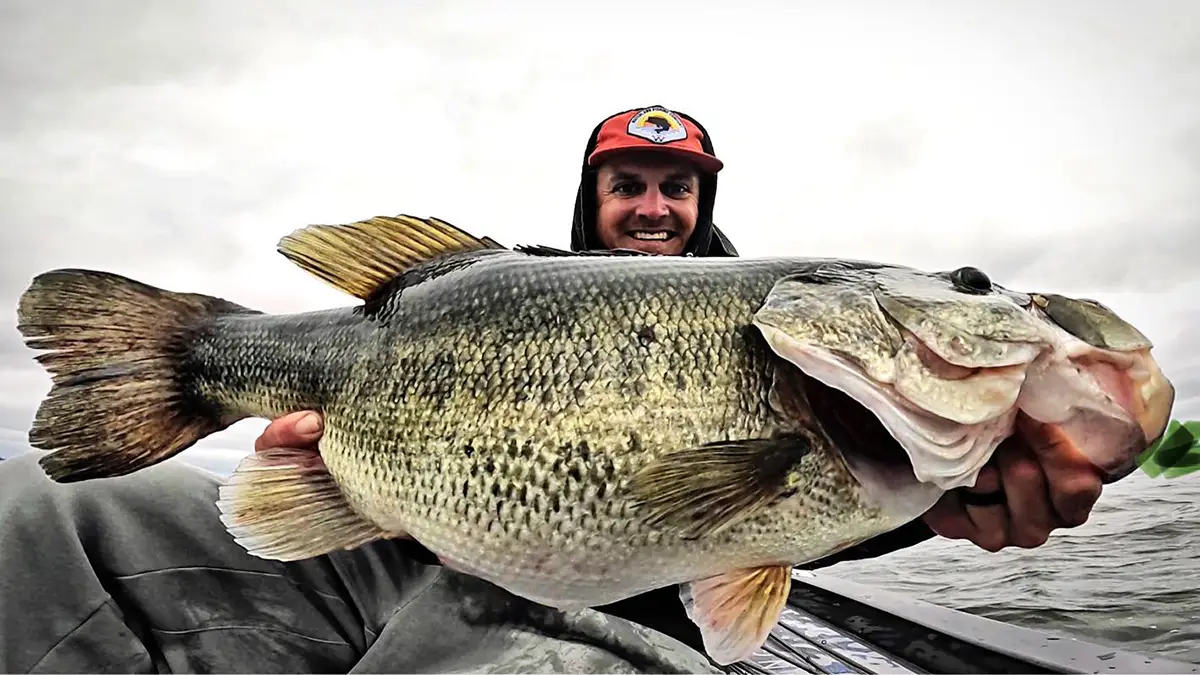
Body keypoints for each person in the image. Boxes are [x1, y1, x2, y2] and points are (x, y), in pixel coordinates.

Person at [0, 105, 1109, 674]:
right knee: (46, 512)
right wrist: (315, 461)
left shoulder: (800, 343)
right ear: (594, 201)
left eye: (678, 189)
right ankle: (198, 362)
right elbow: (306, 472)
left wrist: (942, 509)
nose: (655, 208)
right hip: (392, 552)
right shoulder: (492, 284)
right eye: (629, 184)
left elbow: (794, 517)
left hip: (597, 624)